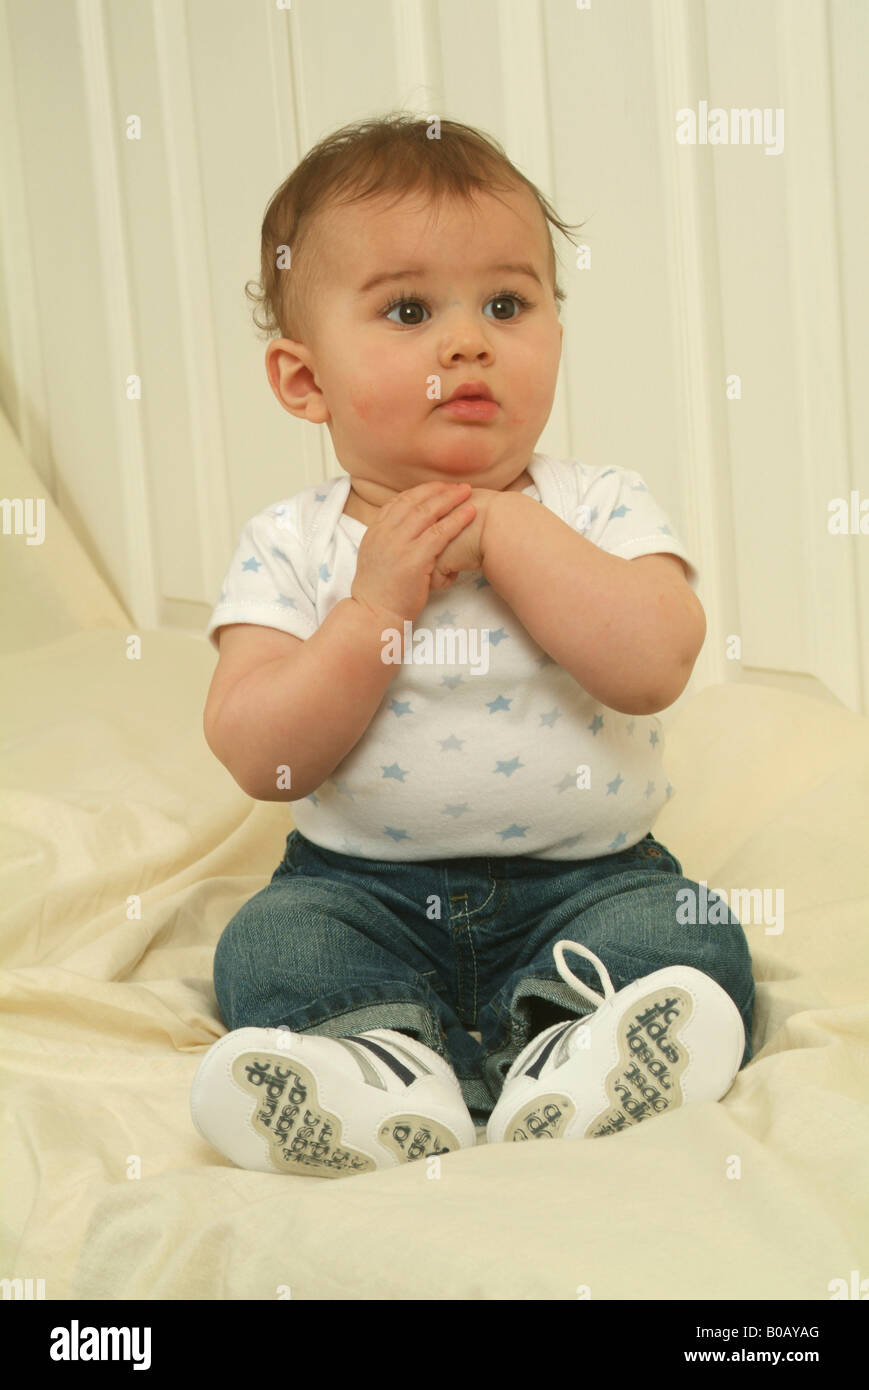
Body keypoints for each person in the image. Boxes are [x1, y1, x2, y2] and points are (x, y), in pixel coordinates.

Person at [190, 113, 755, 1179]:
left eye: (506, 303)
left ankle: (567, 1058)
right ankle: (379, 1070)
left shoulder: (596, 504)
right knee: (269, 948)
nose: (467, 341)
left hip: (591, 883)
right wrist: (370, 612)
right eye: (408, 310)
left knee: (692, 935)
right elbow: (260, 754)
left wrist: (510, 529)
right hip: (360, 889)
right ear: (303, 381)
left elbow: (655, 660)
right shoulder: (292, 543)